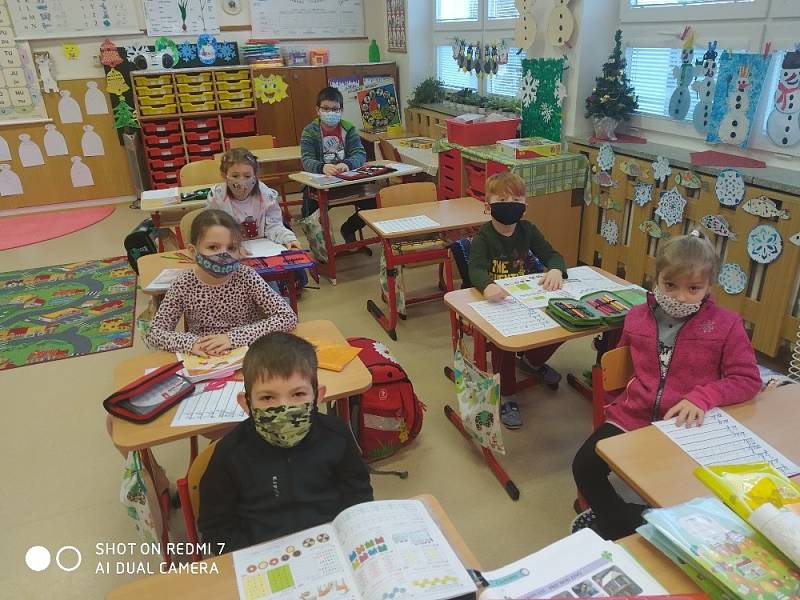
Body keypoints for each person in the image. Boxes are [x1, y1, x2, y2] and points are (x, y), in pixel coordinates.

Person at [571, 232, 761, 540]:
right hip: (633, 416)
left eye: (694, 288)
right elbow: (620, 369)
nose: (680, 296)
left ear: (709, 287)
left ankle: (619, 520)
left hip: (685, 425)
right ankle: (640, 521)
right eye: (670, 285)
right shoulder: (636, 318)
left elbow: (747, 379)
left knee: (687, 487)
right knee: (585, 466)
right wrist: (613, 406)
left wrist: (704, 396)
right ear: (656, 278)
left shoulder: (727, 324)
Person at [198, 332, 374, 552]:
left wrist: (350, 537)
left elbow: (359, 496)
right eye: (267, 398)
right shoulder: (230, 454)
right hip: (264, 557)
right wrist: (254, 557)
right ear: (246, 403)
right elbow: (215, 529)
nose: (284, 408)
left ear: (318, 396)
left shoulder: (336, 435)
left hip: (332, 547)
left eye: (298, 394)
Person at [468, 171, 568, 429]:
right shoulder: (483, 237)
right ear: (488, 206)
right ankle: (508, 393)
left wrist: (556, 269)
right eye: (502, 198)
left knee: (564, 322)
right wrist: (488, 285)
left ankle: (532, 361)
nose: (510, 202)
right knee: (505, 343)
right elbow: (475, 270)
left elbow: (552, 255)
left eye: (516, 198)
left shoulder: (528, 229)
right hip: (494, 302)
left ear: (525, 206)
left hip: (525, 297)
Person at [145, 209, 297, 356]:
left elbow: (287, 317)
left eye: (231, 248)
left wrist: (234, 338)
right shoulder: (183, 284)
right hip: (205, 358)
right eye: (213, 247)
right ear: (193, 252)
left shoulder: (246, 276)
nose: (224, 255)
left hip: (248, 354)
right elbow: (155, 333)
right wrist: (191, 343)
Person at [300, 86, 371, 243]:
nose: (330, 113)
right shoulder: (310, 131)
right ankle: (324, 251)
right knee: (307, 213)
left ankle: (348, 228)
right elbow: (307, 159)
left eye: (334, 109)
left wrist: (347, 164)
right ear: (317, 110)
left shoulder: (349, 129)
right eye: (325, 108)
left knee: (376, 204)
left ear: (341, 110)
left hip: (349, 182)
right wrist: (321, 167)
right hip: (321, 186)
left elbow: (360, 154)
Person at [209, 147, 300, 248]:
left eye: (247, 176)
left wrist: (289, 239)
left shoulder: (266, 197)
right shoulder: (217, 198)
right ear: (224, 175)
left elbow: (274, 226)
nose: (241, 181)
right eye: (235, 176)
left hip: (263, 248)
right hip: (231, 250)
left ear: (255, 176)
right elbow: (212, 230)